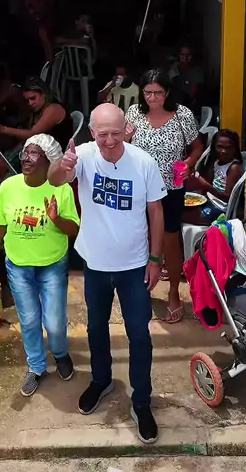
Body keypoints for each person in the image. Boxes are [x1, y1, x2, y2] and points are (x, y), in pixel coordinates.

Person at [48, 103, 166, 445]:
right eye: (103, 134)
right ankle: (101, 381)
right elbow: (55, 179)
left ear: (127, 129)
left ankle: (141, 401)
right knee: (96, 328)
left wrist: (156, 259)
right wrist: (63, 164)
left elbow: (156, 212)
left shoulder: (143, 162)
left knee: (139, 335)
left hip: (134, 265)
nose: (110, 141)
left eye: (116, 133)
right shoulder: (83, 155)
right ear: (92, 132)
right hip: (96, 264)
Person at [0, 134, 80, 397]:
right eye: (25, 153)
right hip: (19, 266)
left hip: (52, 265)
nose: (26, 158)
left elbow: (73, 230)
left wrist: (56, 219)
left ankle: (60, 353)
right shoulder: (8, 187)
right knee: (29, 320)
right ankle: (36, 366)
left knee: (54, 323)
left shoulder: (61, 189)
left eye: (34, 154)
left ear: (50, 161)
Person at [125, 69, 203, 325]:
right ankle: (142, 290)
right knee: (140, 238)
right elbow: (121, 145)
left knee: (170, 239)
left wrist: (189, 163)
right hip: (139, 188)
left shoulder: (182, 115)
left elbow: (197, 146)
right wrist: (123, 137)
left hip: (171, 187)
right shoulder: (134, 114)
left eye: (158, 93)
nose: (153, 98)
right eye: (148, 92)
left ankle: (173, 292)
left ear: (167, 92)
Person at [0, 77, 74, 153]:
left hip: (54, 155)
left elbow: (32, 135)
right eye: (27, 101)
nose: (30, 103)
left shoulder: (53, 109)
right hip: (39, 151)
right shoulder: (37, 110)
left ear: (44, 94)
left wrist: (3, 129)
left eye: (33, 98)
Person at [183, 130, 244, 225]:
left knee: (180, 216)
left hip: (220, 210)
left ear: (235, 149)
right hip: (209, 202)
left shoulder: (233, 168)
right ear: (214, 147)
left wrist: (205, 185)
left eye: (228, 148)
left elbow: (227, 198)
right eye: (220, 147)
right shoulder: (216, 162)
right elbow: (210, 183)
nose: (223, 151)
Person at [168, 44, 204, 119]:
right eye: (182, 54)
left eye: (188, 55)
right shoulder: (173, 68)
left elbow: (194, 93)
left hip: (189, 106)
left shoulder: (196, 71)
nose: (185, 57)